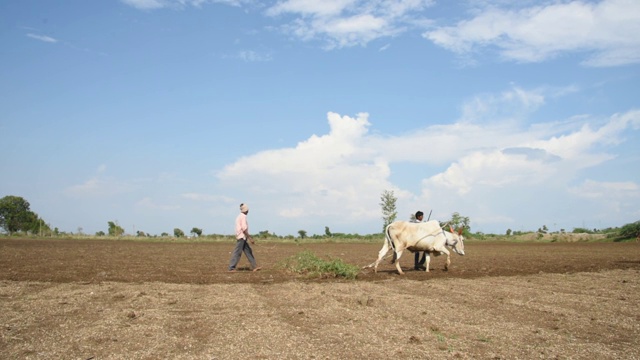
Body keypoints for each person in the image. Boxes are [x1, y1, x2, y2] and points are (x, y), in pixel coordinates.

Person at [228, 203, 261, 272]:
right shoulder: (243, 216)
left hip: (241, 237)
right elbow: (244, 228)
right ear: (246, 210)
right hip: (241, 237)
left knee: (248, 251)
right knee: (237, 252)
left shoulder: (239, 216)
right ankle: (231, 268)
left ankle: (254, 266)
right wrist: (250, 238)